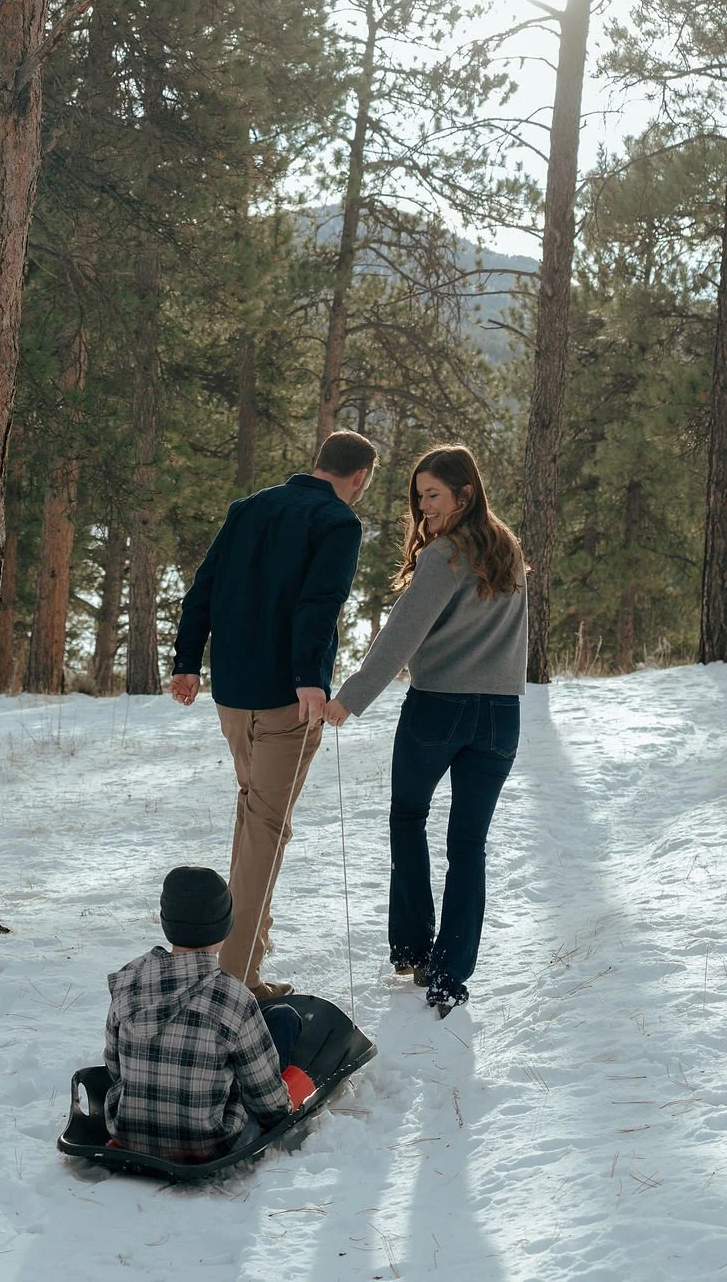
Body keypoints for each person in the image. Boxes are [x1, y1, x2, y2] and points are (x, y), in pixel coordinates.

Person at [170, 430, 377, 1001]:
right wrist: (311, 677)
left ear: (318, 463)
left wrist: (187, 661)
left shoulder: (250, 507)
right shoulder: (339, 522)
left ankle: (243, 960)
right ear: (359, 477)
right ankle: (234, 980)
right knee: (264, 828)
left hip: (231, 693)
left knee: (252, 817)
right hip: (289, 697)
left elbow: (203, 588)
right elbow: (320, 602)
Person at [325, 445, 527, 1017]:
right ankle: (450, 976)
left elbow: (400, 637)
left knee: (408, 816)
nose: (423, 507)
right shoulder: (506, 549)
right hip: (501, 716)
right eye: (418, 497)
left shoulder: (445, 555)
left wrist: (350, 699)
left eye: (433, 495)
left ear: (465, 494)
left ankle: (415, 949)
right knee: (469, 846)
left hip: (440, 707)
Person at [104, 866, 315, 1162]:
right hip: (210, 1144)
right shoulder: (234, 998)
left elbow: (115, 1068)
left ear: (166, 922)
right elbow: (269, 1104)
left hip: (128, 1134)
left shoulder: (129, 980)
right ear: (225, 927)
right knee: (282, 1018)